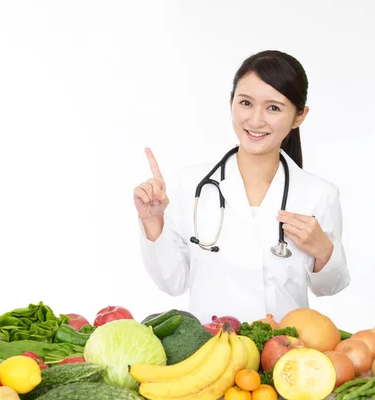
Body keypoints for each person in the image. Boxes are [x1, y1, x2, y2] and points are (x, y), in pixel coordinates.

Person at [133, 50, 351, 324]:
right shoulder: (189, 185)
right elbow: (172, 283)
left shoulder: (319, 194)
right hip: (210, 353)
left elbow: (329, 287)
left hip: (282, 356)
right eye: (246, 103)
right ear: (231, 103)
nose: (256, 120)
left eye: (273, 107)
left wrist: (323, 250)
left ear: (299, 116)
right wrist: (153, 222)